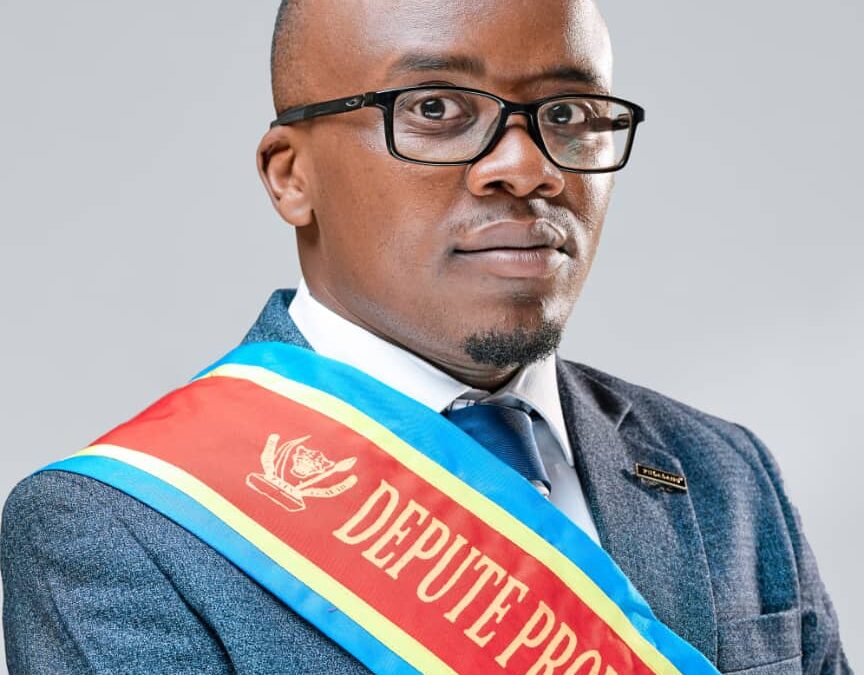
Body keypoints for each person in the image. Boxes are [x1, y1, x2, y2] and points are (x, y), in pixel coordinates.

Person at [0, 0, 850, 673]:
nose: (528, 167)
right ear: (291, 177)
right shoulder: (121, 526)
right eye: (437, 107)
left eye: (569, 111)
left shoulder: (726, 472)